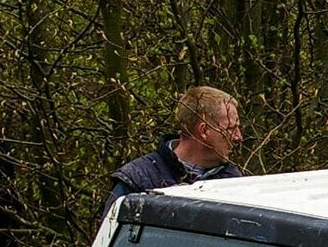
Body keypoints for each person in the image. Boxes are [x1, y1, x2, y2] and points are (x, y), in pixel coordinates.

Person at [104, 86, 245, 213]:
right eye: (231, 128)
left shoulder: (233, 182)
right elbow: (110, 231)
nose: (238, 137)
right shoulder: (138, 180)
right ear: (204, 130)